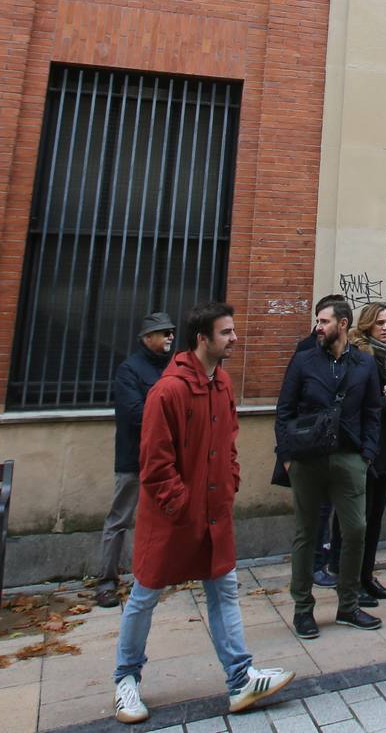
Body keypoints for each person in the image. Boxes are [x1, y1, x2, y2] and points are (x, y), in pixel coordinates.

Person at [113, 302, 293, 723]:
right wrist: (181, 505)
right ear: (203, 338)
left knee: (223, 588)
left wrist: (229, 482)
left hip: (214, 513)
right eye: (226, 332)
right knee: (144, 595)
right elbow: (155, 464)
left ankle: (240, 678)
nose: (234, 339)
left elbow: (228, 441)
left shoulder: (222, 384)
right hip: (174, 517)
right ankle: (126, 680)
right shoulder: (168, 390)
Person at [277, 295, 383, 638]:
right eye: (318, 321)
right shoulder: (304, 361)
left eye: (324, 321)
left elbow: (372, 411)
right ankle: (303, 608)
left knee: (355, 530)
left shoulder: (365, 364)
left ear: (343, 324)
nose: (317, 327)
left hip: (350, 458)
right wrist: (288, 458)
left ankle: (348, 606)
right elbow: (284, 410)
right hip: (307, 460)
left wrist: (367, 453)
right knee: (307, 533)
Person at [98, 311, 175, 607]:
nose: (170, 336)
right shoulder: (130, 370)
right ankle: (106, 580)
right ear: (147, 338)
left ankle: (156, 573)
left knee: (164, 517)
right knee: (120, 517)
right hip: (135, 457)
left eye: (171, 331)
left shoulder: (170, 368)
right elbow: (136, 414)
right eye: (163, 332)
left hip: (166, 456)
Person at [339, 304, 386, 603]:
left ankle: (366, 576)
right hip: (364, 446)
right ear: (367, 326)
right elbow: (354, 404)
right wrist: (385, 398)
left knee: (376, 515)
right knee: (358, 519)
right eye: (380, 323)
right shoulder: (360, 357)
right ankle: (351, 582)